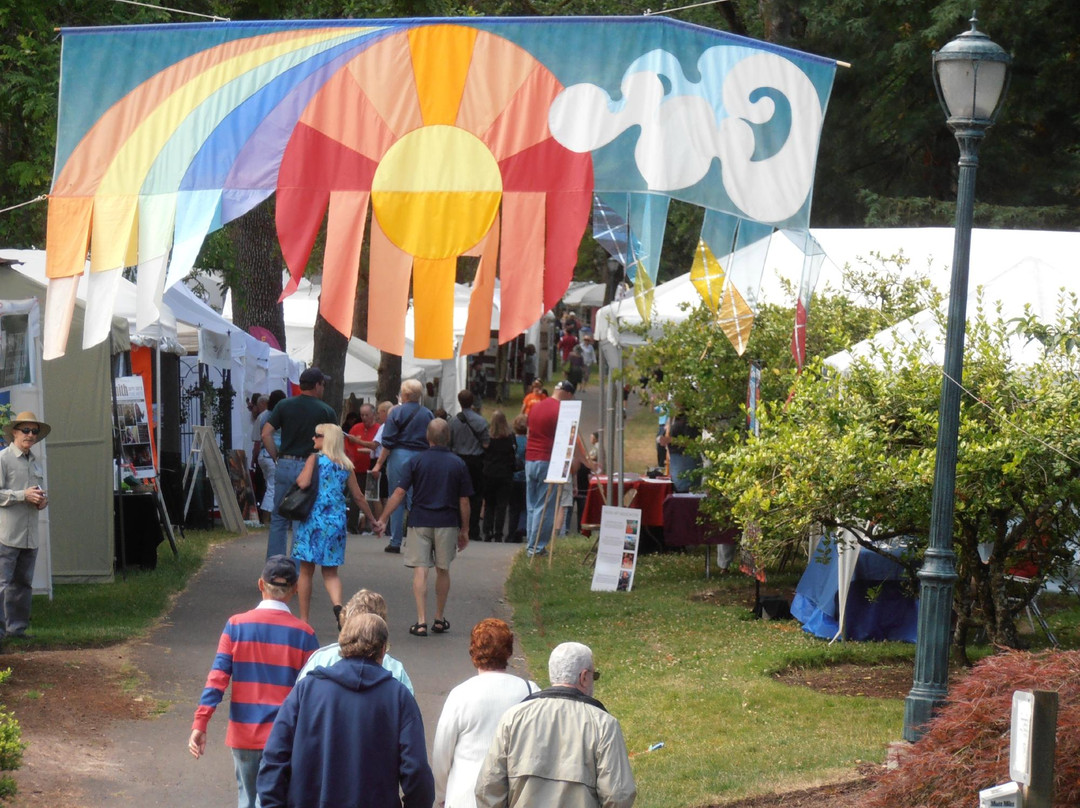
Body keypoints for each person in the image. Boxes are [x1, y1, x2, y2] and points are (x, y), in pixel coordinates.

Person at [257, 612, 435, 808]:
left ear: (343, 645)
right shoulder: (399, 697)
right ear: (383, 650)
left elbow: (274, 756)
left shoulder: (306, 690)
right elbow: (416, 769)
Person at [189, 556, 319, 808]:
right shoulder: (305, 635)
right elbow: (314, 693)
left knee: (247, 800)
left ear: (261, 584)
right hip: (286, 737)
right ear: (295, 589)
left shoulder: (236, 626)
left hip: (243, 734)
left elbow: (217, 679)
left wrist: (200, 722)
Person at [475, 641, 636, 808]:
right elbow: (618, 795)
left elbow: (488, 787)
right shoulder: (603, 724)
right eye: (594, 676)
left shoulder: (513, 718)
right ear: (584, 677)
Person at [432, 619, 538, 808]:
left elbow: (442, 751)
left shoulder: (461, 694)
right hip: (514, 797)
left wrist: (441, 793)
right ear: (509, 651)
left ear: (473, 651)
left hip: (465, 797)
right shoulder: (529, 691)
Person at [380, 419, 472, 637]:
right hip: (447, 522)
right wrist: (465, 529)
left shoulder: (416, 461)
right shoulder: (458, 463)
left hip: (419, 520)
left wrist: (383, 517)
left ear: (427, 437)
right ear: (447, 437)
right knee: (443, 569)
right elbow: (464, 500)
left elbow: (399, 493)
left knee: (420, 569)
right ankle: (438, 618)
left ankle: (421, 621)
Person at [291, 423, 381, 626]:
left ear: (327, 439)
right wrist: (373, 520)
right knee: (331, 572)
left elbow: (303, 483)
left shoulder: (314, 459)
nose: (313, 438)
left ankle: (304, 619)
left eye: (317, 435)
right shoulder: (345, 465)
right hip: (335, 522)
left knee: (306, 570)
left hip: (313, 519)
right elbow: (358, 496)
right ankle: (338, 606)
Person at [261, 368, 337, 558]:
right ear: (317, 385)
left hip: (285, 462)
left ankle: (274, 568)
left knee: (278, 517)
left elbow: (265, 433)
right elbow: (333, 444)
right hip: (309, 467)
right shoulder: (326, 410)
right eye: (323, 385)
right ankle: (295, 573)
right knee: (301, 518)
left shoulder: (284, 405)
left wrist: (277, 455)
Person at [295, 588, 413, 694]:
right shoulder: (395, 669)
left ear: (345, 621)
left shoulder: (322, 658)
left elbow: (299, 699)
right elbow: (409, 710)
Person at [524, 381, 593, 558]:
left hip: (530, 459)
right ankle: (537, 548)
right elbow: (572, 439)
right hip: (547, 461)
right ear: (568, 394)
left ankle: (530, 545)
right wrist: (585, 461)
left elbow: (529, 432)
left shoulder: (536, 406)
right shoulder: (562, 410)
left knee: (532, 505)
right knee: (545, 506)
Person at [0, 412, 49, 644]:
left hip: (30, 536)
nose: (30, 435)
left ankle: (16, 630)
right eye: (26, 430)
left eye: (34, 431)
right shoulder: (3, 459)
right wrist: (23, 495)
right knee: (2, 585)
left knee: (23, 585)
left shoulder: (35, 462)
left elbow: (37, 493)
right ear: (14, 433)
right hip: (7, 535)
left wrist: (41, 500)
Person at [370, 380, 434, 554]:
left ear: (404, 395)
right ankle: (416, 540)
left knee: (395, 496)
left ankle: (395, 540)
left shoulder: (395, 413)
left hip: (399, 455)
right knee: (416, 498)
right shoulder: (428, 414)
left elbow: (388, 443)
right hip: (421, 456)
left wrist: (378, 464)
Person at [449, 389, 489, 543]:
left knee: (458, 494)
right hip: (476, 461)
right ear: (472, 402)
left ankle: (458, 525)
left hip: (458, 459)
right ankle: (473, 529)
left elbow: (449, 442)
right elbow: (486, 443)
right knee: (476, 496)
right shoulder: (481, 421)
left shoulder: (453, 421)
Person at [481, 411, 516, 542]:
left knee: (489, 504)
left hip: (489, 473)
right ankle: (498, 532)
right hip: (505, 474)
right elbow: (513, 456)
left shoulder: (488, 438)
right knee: (502, 505)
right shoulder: (509, 438)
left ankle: (487, 530)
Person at [345, 403, 380, 533]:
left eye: (367, 415)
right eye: (362, 415)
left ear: (373, 415)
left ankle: (370, 526)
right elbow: (347, 445)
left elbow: (375, 446)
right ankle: (352, 526)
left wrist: (358, 443)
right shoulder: (355, 428)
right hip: (356, 468)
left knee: (371, 497)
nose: (364, 418)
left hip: (371, 468)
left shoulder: (378, 428)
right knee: (356, 497)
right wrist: (349, 457)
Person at [506, 415, 529, 543]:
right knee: (525, 506)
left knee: (513, 507)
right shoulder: (529, 442)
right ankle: (522, 527)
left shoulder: (512, 441)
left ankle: (511, 533)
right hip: (525, 477)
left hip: (513, 477)